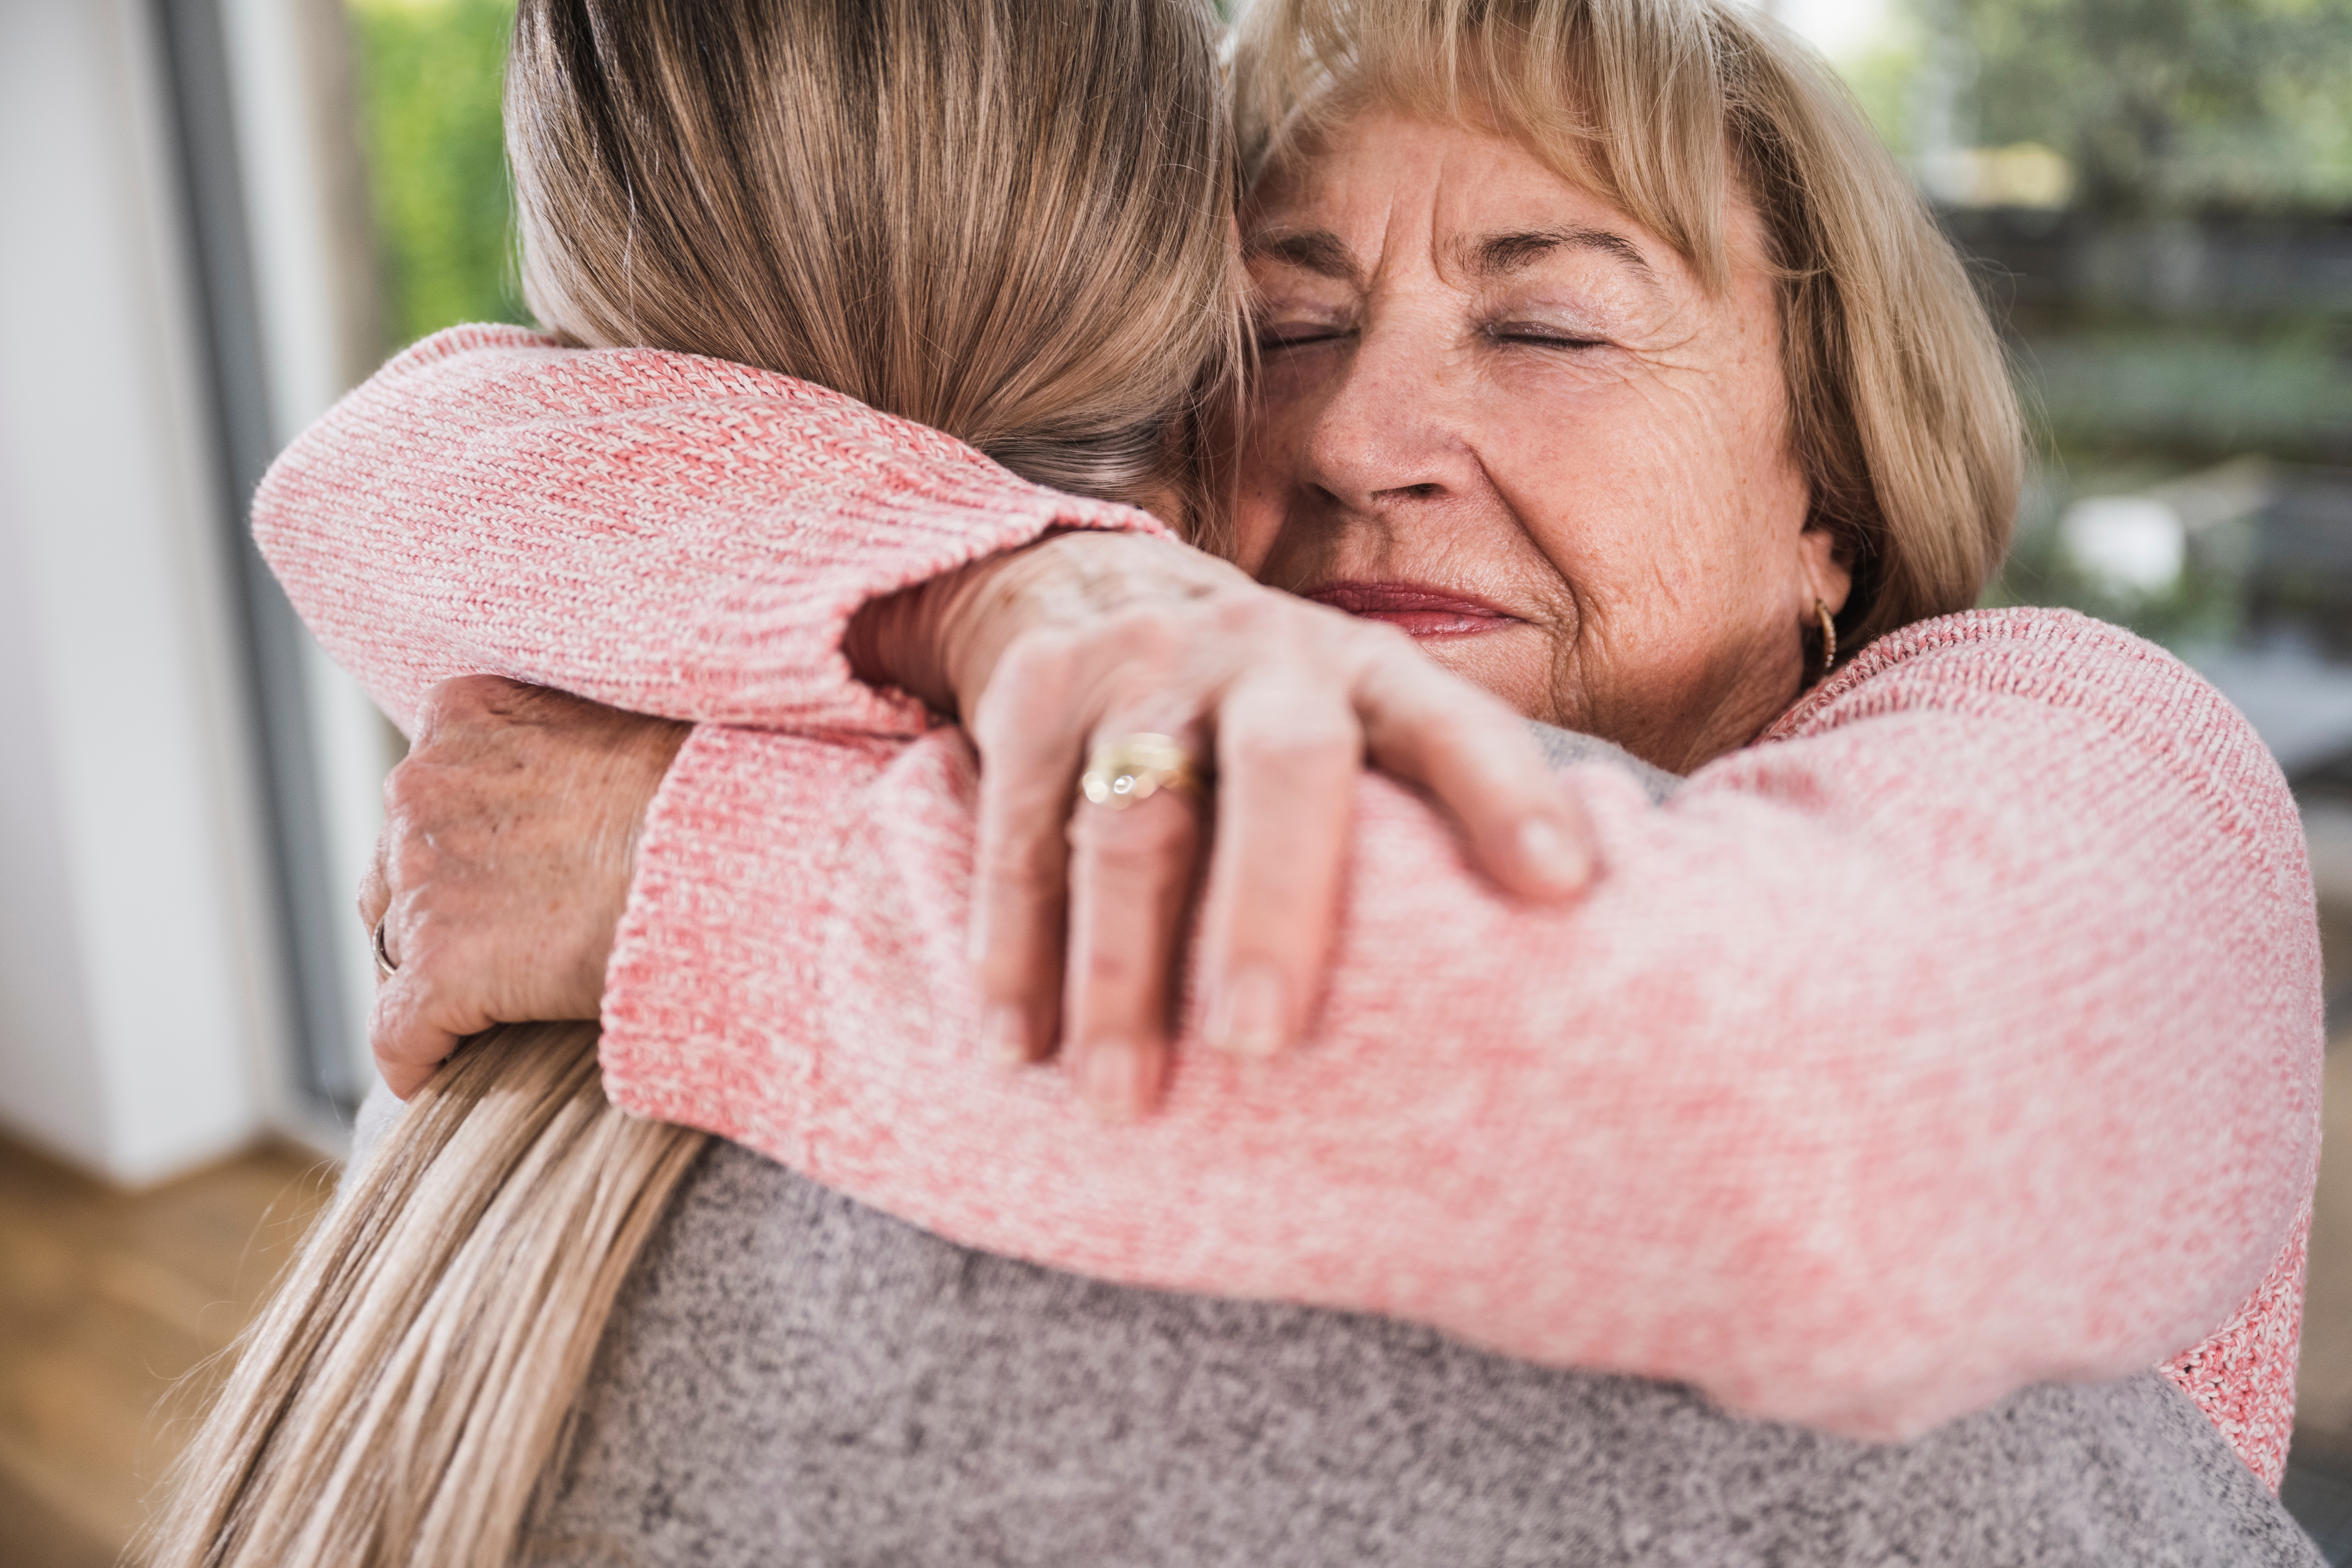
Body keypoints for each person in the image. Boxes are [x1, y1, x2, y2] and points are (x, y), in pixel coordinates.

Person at [164, 0, 2324, 1560]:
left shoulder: (2091, 741)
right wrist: (997, 576)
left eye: (1544, 328)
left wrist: (693, 865)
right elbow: (391, 464)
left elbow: (1833, 1119)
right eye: (1278, 337)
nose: (1353, 439)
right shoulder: (1109, 693)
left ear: (1825, 505)